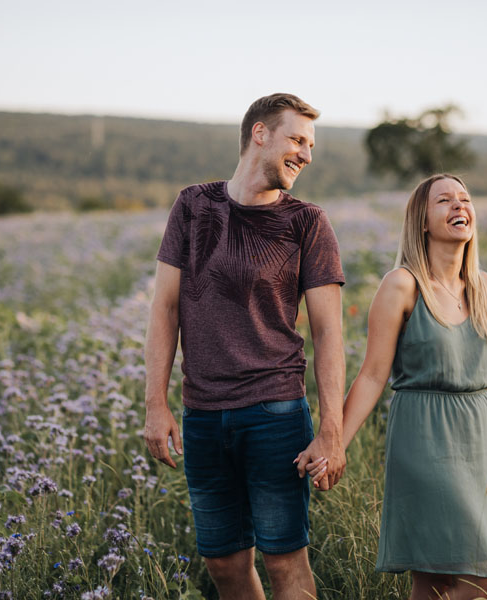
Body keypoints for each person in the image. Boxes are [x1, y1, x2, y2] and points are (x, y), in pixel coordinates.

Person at [143, 93, 346, 600]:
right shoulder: (193, 206)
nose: (306, 154)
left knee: (285, 563)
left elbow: (328, 333)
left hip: (275, 415)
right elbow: (164, 309)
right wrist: (155, 405)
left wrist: (331, 431)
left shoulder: (307, 222)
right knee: (223, 565)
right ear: (260, 134)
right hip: (203, 416)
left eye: (310, 144)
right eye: (297, 139)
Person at [305, 174, 487, 599]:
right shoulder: (401, 285)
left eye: (465, 199)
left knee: (433, 581)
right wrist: (335, 445)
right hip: (424, 440)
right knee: (484, 581)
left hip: (478, 447)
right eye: (444, 201)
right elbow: (371, 375)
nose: (459, 206)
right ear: (422, 221)